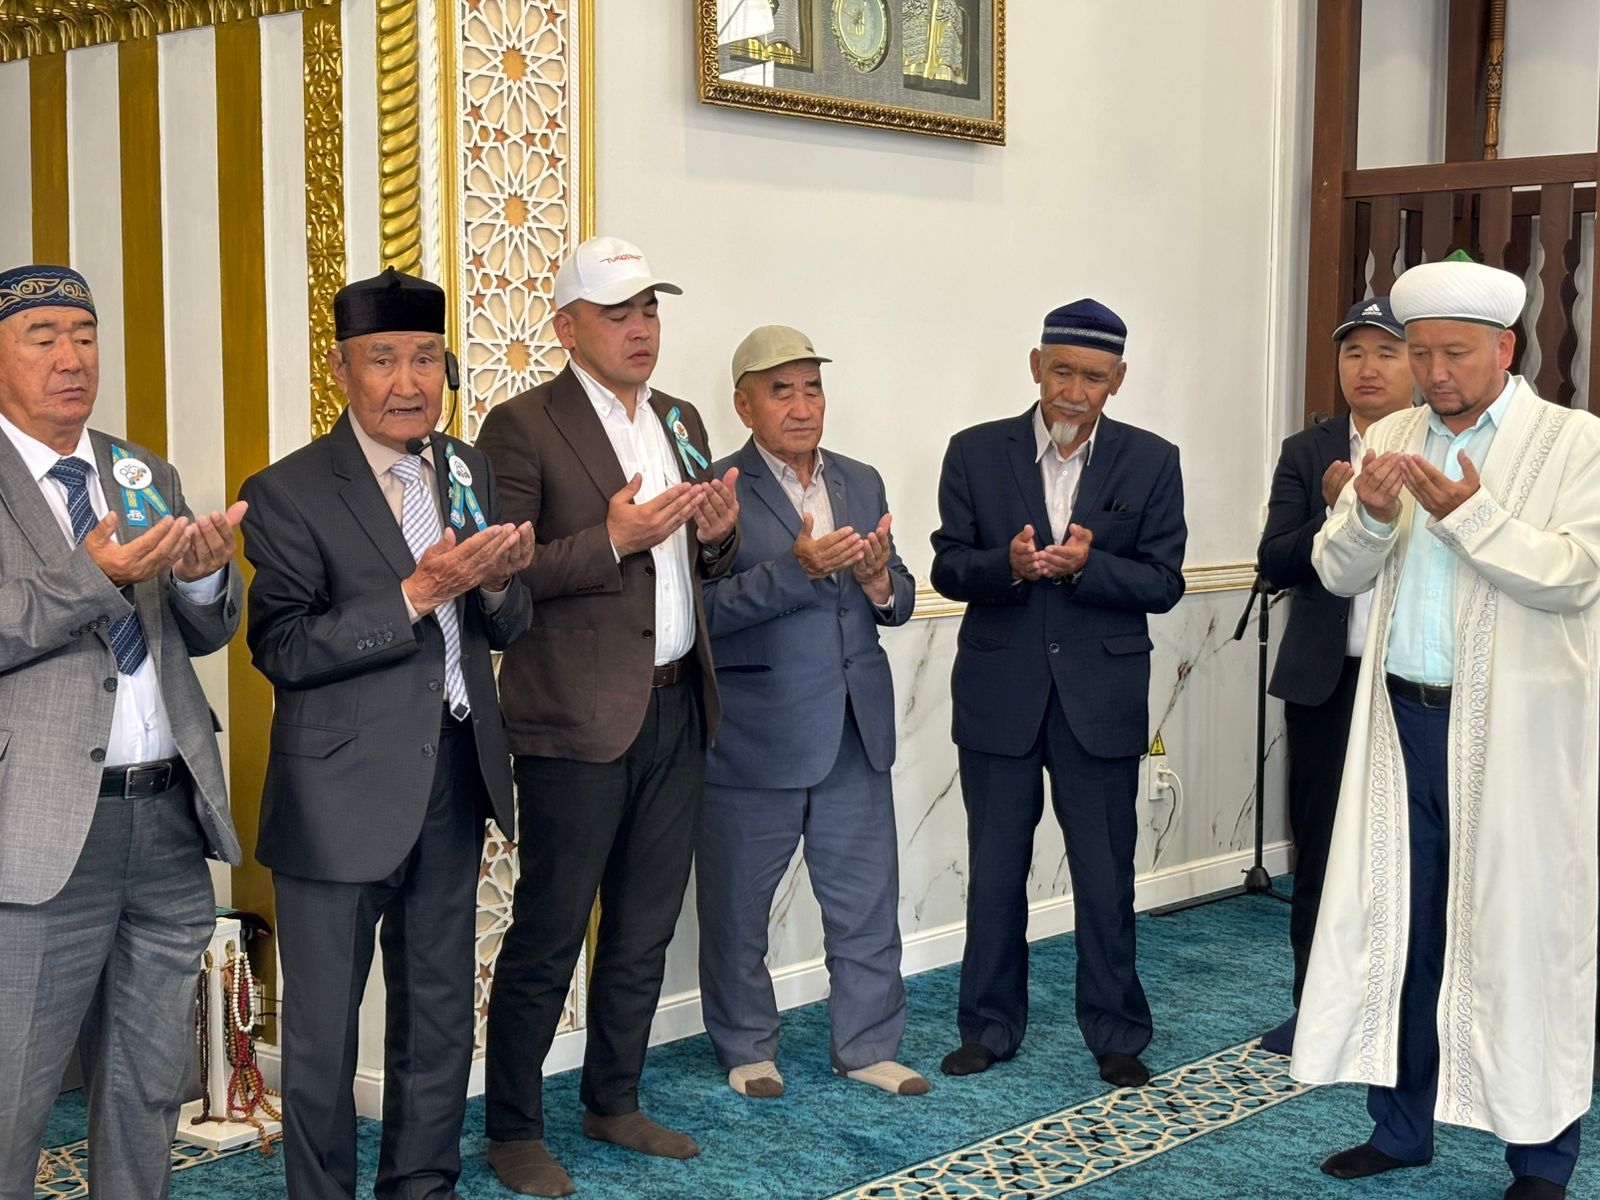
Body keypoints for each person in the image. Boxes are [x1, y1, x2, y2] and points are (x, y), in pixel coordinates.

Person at [1295, 255, 1600, 1200]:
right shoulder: (1390, 434)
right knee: (1400, 933)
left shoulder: (1575, 443)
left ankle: (1540, 1159)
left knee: (1523, 941)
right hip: (1399, 726)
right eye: (1420, 353)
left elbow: (1576, 575)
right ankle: (1400, 1129)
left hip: (1516, 739)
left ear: (1507, 349)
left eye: (1455, 353)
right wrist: (1369, 516)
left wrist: (1472, 519)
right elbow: (1336, 571)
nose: (1434, 373)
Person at [238, 267, 534, 1200]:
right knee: (324, 1033)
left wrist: (495, 582)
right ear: (340, 369)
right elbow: (282, 647)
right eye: (383, 360)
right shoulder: (286, 491)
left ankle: (422, 1185)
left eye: (426, 359)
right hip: (336, 797)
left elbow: (506, 622)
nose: (408, 382)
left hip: (455, 774)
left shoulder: (467, 468)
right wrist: (414, 594)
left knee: (439, 1016)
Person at [476, 236, 740, 1198]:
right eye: (618, 312)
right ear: (567, 327)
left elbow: (703, 558)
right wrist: (610, 540)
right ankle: (514, 1129)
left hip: (678, 707)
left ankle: (613, 1100)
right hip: (573, 722)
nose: (641, 329)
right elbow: (502, 576)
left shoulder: (682, 417)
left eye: (651, 310)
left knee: (643, 925)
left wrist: (719, 538)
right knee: (549, 933)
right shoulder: (520, 426)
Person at [0, 263, 245, 1199]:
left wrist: (203, 577)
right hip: (39, 830)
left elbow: (199, 634)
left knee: (147, 1087)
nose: (72, 358)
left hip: (166, 817)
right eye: (43, 338)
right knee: (14, 1096)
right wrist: (90, 577)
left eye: (85, 335)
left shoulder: (142, 471)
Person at [929, 299, 1186, 1088]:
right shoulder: (975, 451)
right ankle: (988, 1027)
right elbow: (947, 566)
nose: (1076, 392)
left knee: (1106, 875)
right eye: (1064, 371)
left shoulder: (1152, 460)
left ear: (1119, 380)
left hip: (1099, 701)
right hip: (999, 695)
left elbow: (1165, 582)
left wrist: (1088, 568)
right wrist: (1004, 566)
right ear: (1037, 366)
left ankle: (1116, 1032)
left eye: (1095, 378)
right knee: (995, 871)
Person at [696, 325, 926, 1100]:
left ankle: (868, 1046)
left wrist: (879, 583)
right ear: (744, 405)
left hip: (856, 731)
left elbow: (898, 591)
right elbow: (699, 613)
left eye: (812, 388)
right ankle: (746, 1048)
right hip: (753, 736)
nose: (801, 406)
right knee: (738, 913)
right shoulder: (716, 489)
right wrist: (795, 573)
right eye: (781, 391)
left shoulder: (860, 480)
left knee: (867, 906)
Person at [1255, 296, 1415, 1054]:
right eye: (1354, 353)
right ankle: (1314, 1012)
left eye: (1386, 352)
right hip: (1326, 682)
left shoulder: (1440, 445)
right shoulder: (1307, 450)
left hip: (1412, 680)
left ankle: (1403, 1012)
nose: (1368, 368)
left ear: (1416, 364)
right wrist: (1335, 511)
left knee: (1409, 851)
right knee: (1318, 850)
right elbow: (1274, 560)